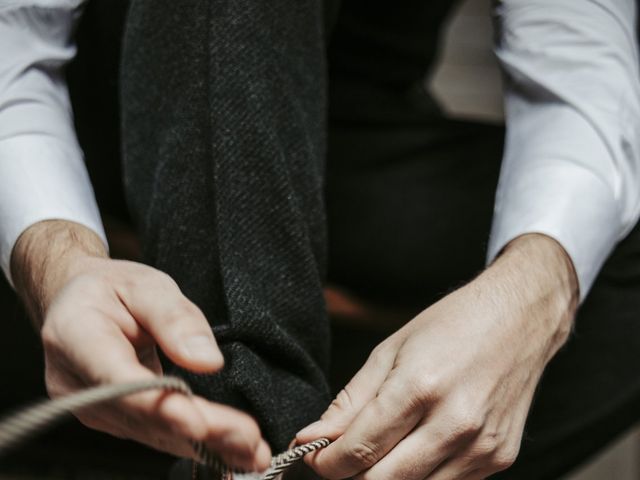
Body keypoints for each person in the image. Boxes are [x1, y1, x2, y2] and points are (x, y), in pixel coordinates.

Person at [1, 0, 639, 479]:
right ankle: (239, 443)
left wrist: (534, 295)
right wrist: (60, 263)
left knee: (598, 247)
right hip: (103, 131)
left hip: (348, 135)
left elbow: (580, 64)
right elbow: (14, 39)